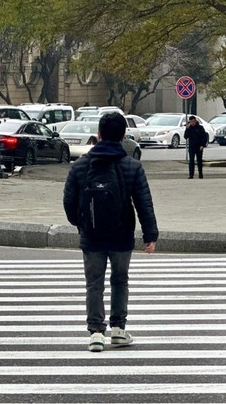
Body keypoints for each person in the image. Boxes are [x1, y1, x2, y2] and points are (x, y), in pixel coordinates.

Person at [63, 112, 158, 353]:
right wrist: (150, 235)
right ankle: (118, 329)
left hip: (91, 235)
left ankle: (96, 333)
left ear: (99, 133)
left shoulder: (81, 165)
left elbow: (69, 201)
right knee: (120, 280)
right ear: (124, 135)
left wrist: (81, 223)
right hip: (122, 233)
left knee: (94, 283)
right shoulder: (132, 166)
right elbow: (143, 202)